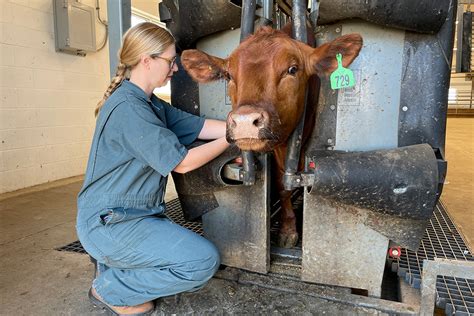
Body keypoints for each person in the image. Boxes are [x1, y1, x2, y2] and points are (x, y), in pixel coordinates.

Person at [76, 22, 229, 315]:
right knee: (202, 261)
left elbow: (199, 126)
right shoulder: (129, 109)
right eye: (171, 60)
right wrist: (232, 138)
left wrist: (243, 124)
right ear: (147, 60)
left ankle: (112, 268)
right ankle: (109, 289)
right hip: (111, 223)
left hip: (131, 216)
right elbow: (182, 163)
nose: (175, 68)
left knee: (179, 255)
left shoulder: (151, 104)